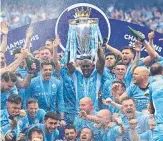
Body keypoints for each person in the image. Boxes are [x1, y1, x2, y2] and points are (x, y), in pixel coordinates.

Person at [27, 60, 65, 125]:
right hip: (37, 116)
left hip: (52, 116)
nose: (48, 71)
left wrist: (62, 119)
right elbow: (27, 99)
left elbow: (60, 101)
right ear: (41, 70)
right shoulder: (32, 82)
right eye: (45, 70)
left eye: (50, 70)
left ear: (53, 70)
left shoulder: (57, 83)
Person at [149, 63, 163, 140]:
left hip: (160, 126)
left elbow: (151, 108)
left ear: (150, 73)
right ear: (162, 72)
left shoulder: (151, 85)